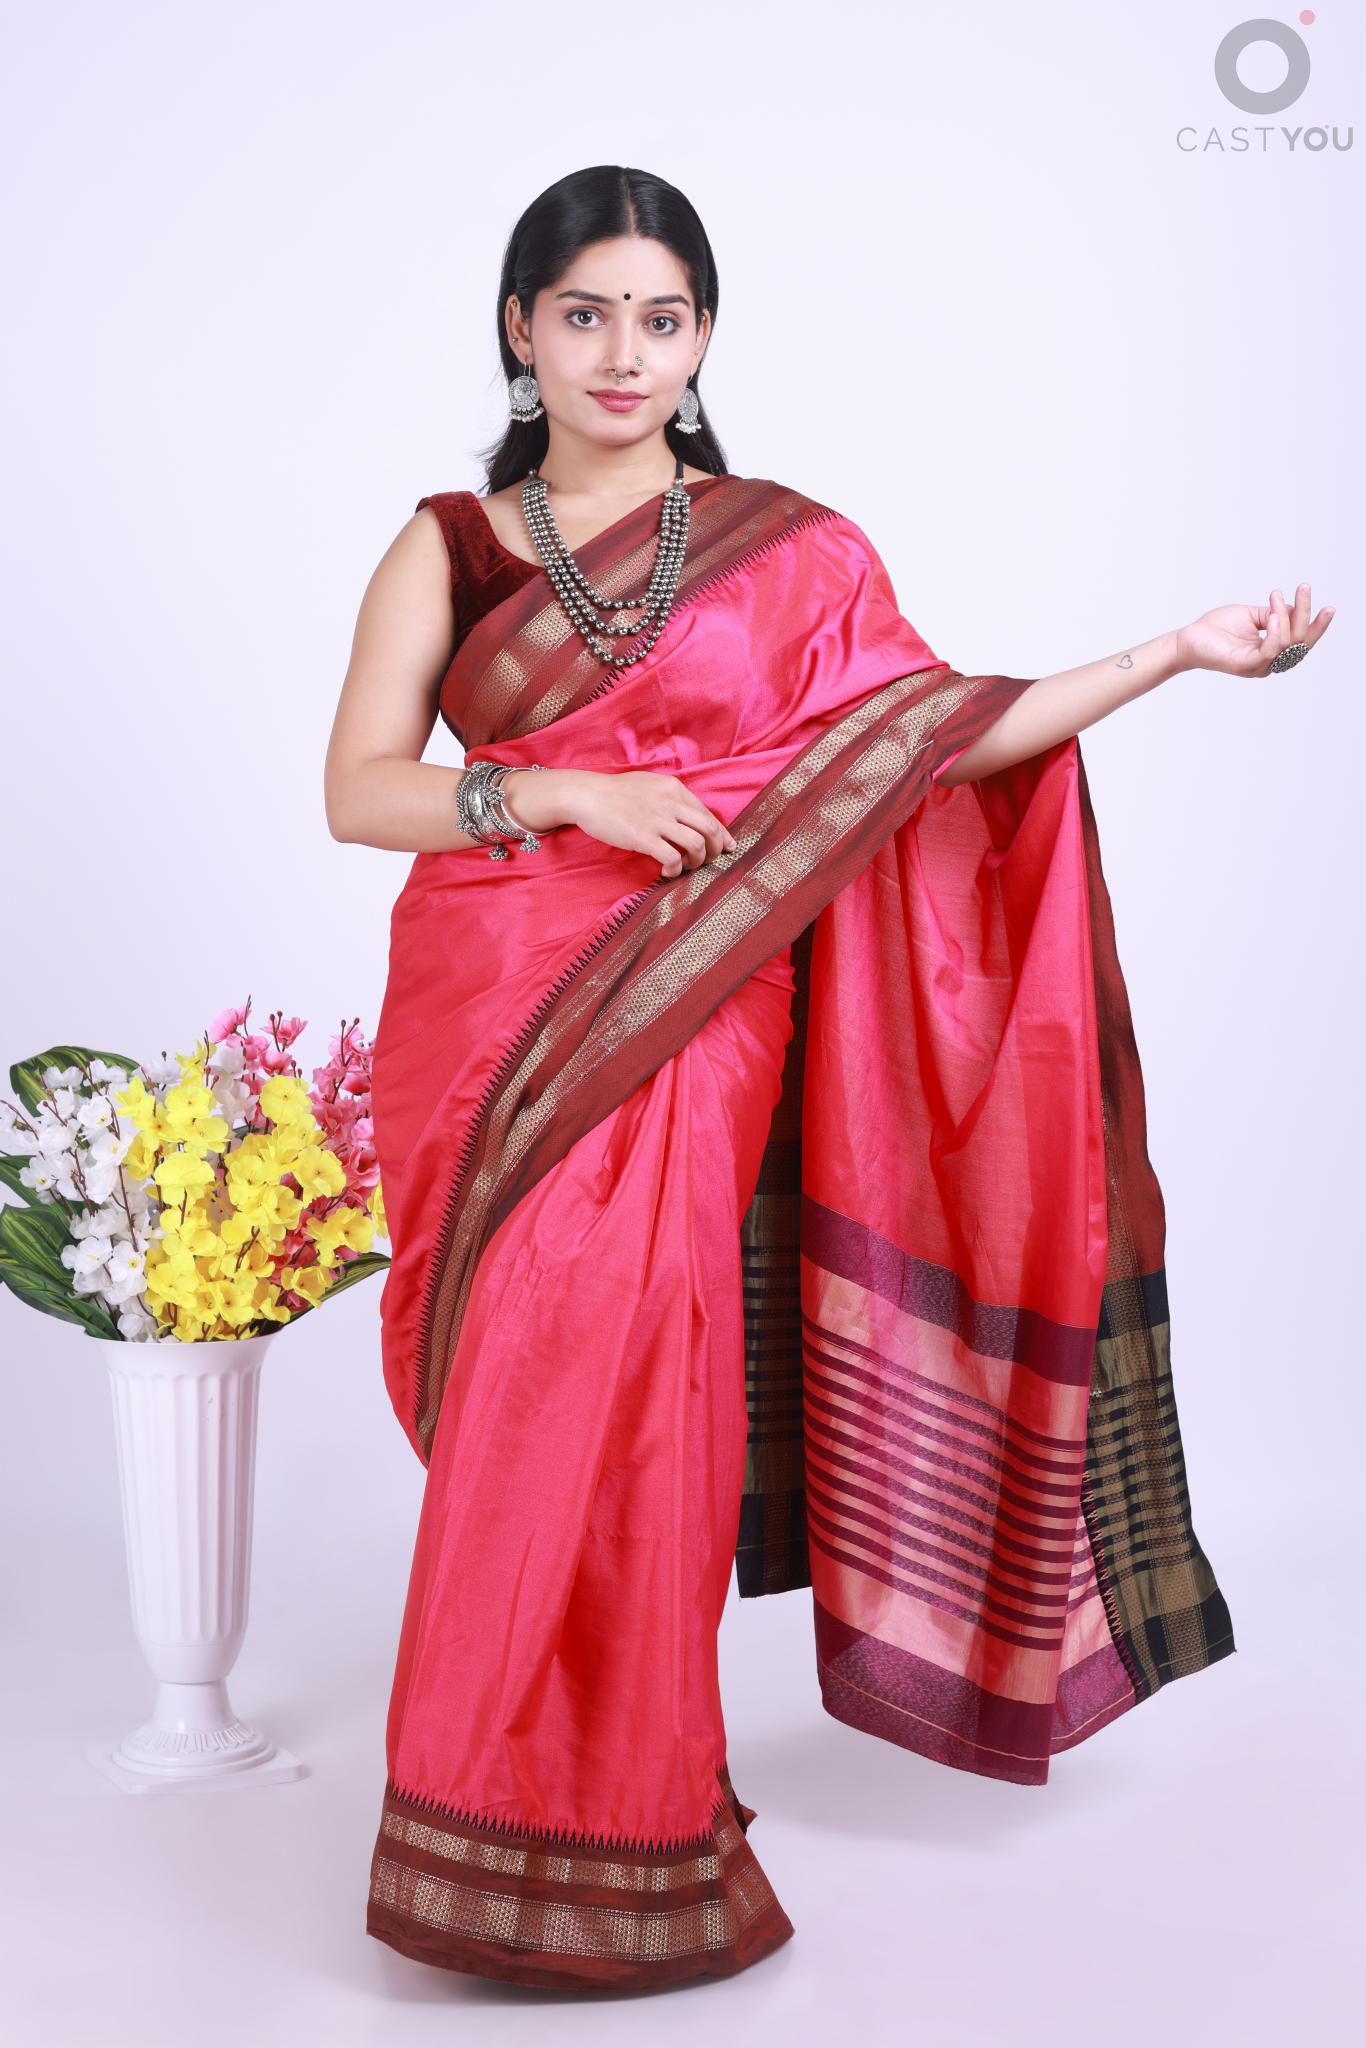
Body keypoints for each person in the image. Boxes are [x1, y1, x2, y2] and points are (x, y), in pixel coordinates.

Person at [323, 165, 1332, 1993]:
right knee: (523, 1393)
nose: (622, 353)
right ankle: (479, 1823)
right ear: (519, 327)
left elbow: (936, 743)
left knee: (649, 1389)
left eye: (661, 319)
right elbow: (359, 792)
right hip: (496, 1014)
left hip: (701, 1008)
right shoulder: (450, 546)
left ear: (702, 337)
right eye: (584, 314)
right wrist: (566, 789)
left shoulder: (795, 554)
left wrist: (1168, 657)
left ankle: (628, 1825)